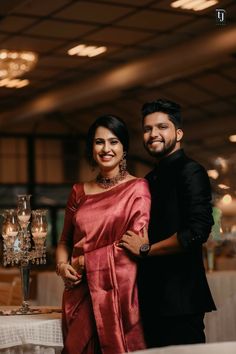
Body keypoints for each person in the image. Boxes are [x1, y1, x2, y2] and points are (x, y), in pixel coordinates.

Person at [119, 99, 216, 348]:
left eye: (162, 127)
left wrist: (147, 249)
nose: (154, 134)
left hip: (181, 301)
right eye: (148, 129)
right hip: (148, 299)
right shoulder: (148, 179)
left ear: (178, 133)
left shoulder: (191, 171)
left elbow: (197, 231)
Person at [56, 114, 151, 354]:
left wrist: (85, 261)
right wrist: (61, 265)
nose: (106, 148)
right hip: (78, 292)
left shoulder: (137, 188)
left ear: (124, 148)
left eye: (113, 141)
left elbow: (131, 244)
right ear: (91, 147)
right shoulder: (78, 191)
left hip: (118, 293)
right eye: (99, 142)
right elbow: (64, 241)